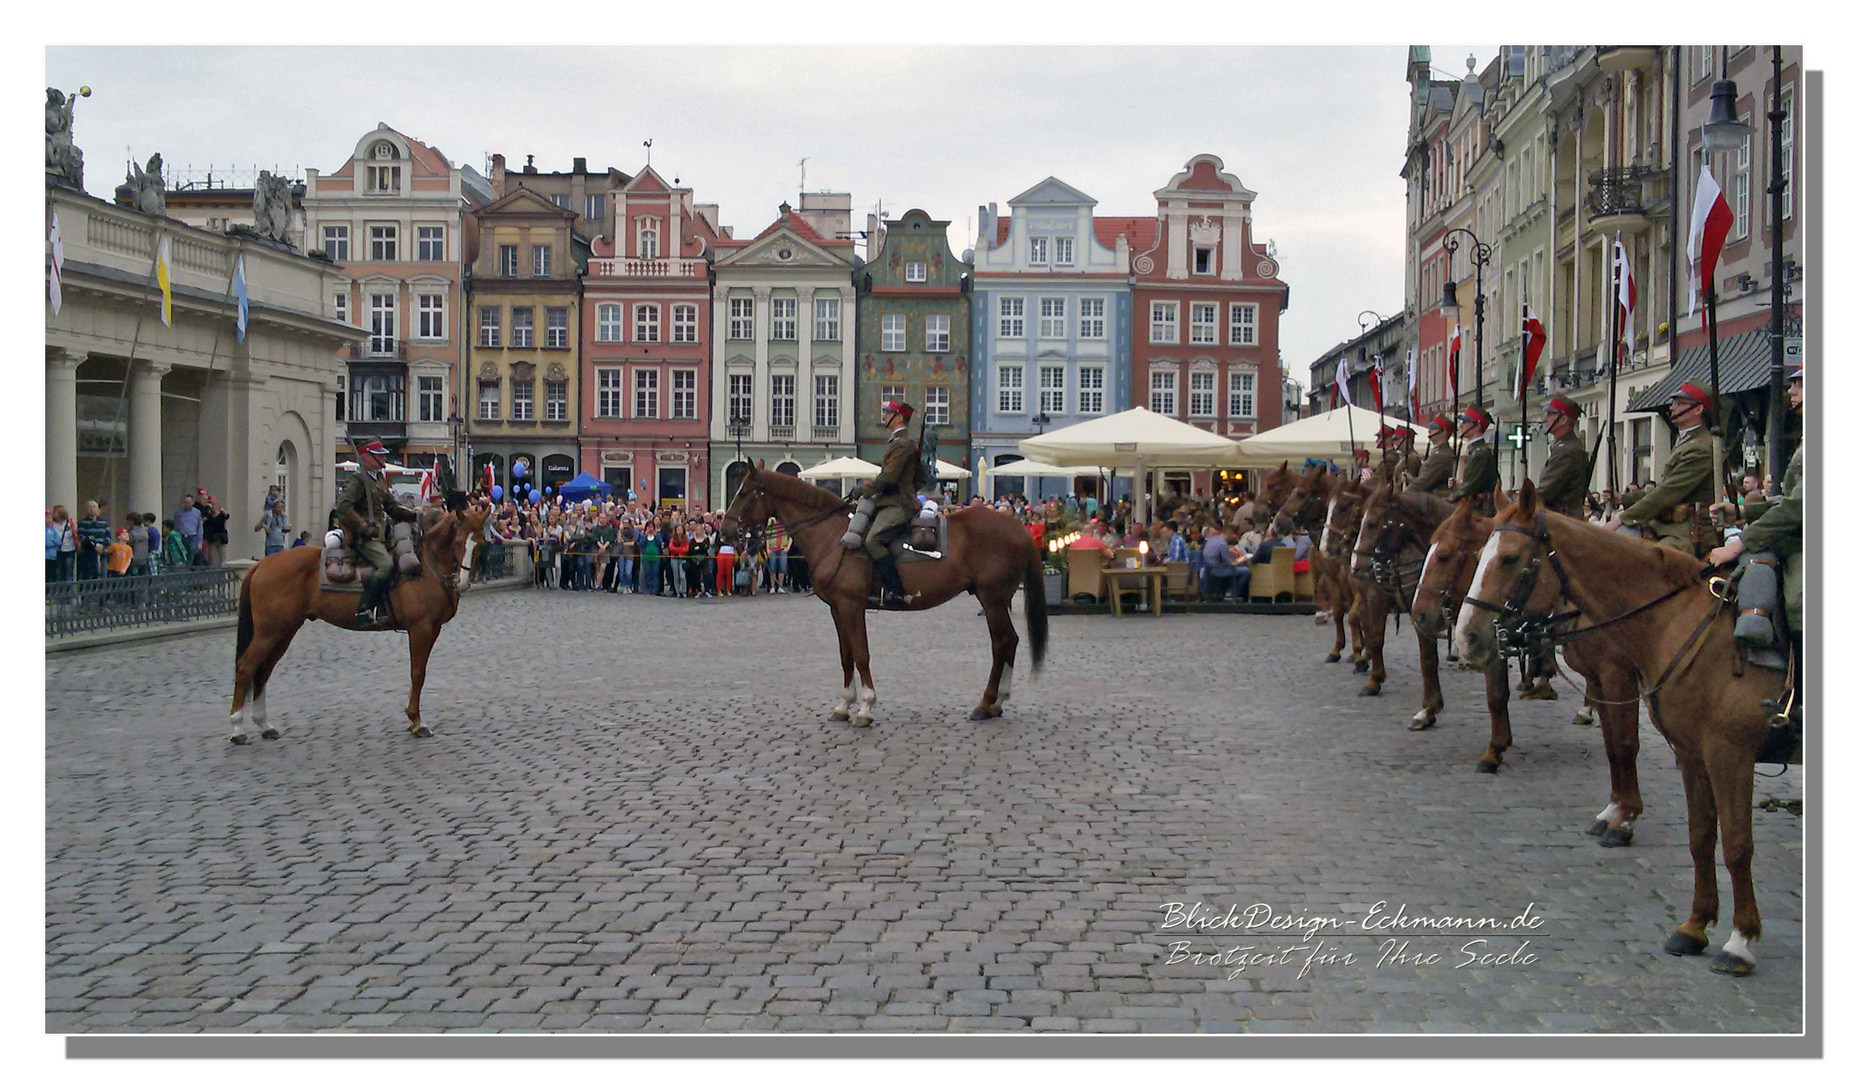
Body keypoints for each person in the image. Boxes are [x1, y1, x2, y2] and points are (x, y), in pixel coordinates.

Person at [1520, 396, 1595, 702]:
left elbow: (1546, 491)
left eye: (1549, 414)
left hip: (1562, 525)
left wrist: (1520, 504)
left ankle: (1546, 670)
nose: (1545, 418)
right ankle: (1540, 669)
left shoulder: (1569, 451)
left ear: (1563, 419)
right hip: (1557, 519)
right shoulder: (1562, 449)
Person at [1606, 381, 1720, 557]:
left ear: (1698, 409)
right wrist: (1623, 498)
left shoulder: (1701, 448)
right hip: (1664, 527)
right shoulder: (1685, 441)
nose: (1672, 408)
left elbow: (1667, 492)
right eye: (1673, 403)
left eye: (1680, 403)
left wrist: (1620, 519)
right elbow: (1662, 489)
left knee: (1649, 562)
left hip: (1688, 533)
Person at [336, 439, 419, 626]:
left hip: (382, 534)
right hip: (364, 537)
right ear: (367, 457)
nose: (384, 458)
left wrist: (415, 516)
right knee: (386, 565)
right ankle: (365, 609)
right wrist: (362, 527)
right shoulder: (358, 479)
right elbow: (342, 506)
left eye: (383, 454)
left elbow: (391, 506)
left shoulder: (378, 478)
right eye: (379, 455)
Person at [853, 399, 923, 609]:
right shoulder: (898, 442)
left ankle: (895, 591)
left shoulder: (902, 444)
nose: (884, 416)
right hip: (892, 501)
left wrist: (862, 490)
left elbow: (889, 477)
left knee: (873, 540)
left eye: (887, 413)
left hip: (898, 504)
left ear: (899, 417)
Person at [1448, 406, 1499, 509]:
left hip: (1482, 509)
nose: (1460, 426)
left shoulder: (1480, 453)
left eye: (1465, 422)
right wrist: (1458, 485)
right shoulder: (1475, 450)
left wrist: (1448, 500)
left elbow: (1470, 488)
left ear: (1476, 426)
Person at [1198, 524, 1250, 602]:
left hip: (1208, 569)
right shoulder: (1222, 544)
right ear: (1230, 533)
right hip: (1217, 570)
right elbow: (1230, 564)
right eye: (1234, 534)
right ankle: (1231, 593)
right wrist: (1243, 559)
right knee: (1246, 571)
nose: (1235, 536)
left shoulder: (1212, 540)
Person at [76, 500, 110, 580]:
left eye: (94, 507)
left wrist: (102, 546)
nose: (92, 509)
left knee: (103, 574)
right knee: (89, 575)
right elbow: (82, 536)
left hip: (102, 552)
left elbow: (108, 536)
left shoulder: (104, 522)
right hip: (89, 553)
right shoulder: (82, 523)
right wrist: (95, 545)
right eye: (89, 507)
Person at [49, 505, 77, 583]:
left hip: (69, 550)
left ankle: (69, 592)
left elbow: (75, 534)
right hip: (57, 550)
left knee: (69, 572)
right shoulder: (52, 524)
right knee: (58, 572)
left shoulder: (70, 523)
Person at [766, 516, 790, 594]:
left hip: (783, 547)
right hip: (773, 547)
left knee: (782, 568)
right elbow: (768, 535)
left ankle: (780, 586)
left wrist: (788, 547)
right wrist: (767, 548)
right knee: (772, 568)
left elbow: (791, 535)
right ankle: (772, 587)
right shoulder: (771, 520)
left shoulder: (785, 519)